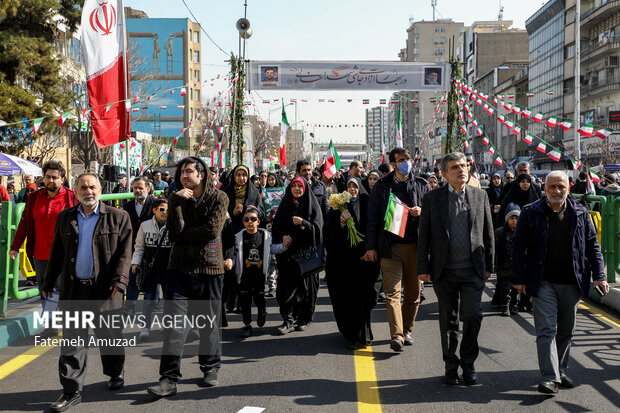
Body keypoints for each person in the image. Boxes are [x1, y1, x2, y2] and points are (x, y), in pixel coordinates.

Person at [42, 173, 132, 412]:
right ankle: (71, 390)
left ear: (100, 189)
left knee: (110, 336)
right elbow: (57, 253)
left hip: (106, 291)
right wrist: (47, 282)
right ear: (76, 190)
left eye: (92, 186)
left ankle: (115, 372)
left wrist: (120, 281)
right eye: (83, 187)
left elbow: (125, 253)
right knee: (72, 341)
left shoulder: (119, 217)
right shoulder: (65, 217)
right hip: (74, 290)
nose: (88, 191)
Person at [512, 171, 608, 394]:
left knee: (566, 330)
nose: (556, 191)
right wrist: (518, 278)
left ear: (568, 188)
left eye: (561, 187)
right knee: (546, 329)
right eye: (552, 187)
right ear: (544, 188)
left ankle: (560, 370)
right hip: (542, 280)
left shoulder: (581, 213)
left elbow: (593, 246)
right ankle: (549, 377)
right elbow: (518, 246)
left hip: (572, 281)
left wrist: (600, 276)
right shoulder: (530, 212)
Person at [147, 157, 229, 397]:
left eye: (189, 171)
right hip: (179, 270)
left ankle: (210, 366)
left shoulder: (219, 198)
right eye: (181, 171)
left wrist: (184, 234)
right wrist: (174, 202)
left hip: (211, 269)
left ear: (201, 174)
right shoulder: (175, 199)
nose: (184, 175)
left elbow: (212, 230)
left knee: (209, 323)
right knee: (174, 326)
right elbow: (173, 233)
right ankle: (168, 378)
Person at [417, 152, 494, 386]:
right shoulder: (433, 198)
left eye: (463, 165)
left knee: (472, 316)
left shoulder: (480, 196)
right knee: (448, 321)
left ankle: (468, 364)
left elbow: (488, 232)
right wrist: (423, 267)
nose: (461, 170)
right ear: (444, 173)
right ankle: (451, 365)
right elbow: (425, 236)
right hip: (444, 271)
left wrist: (489, 265)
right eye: (454, 167)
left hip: (473, 270)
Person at [365, 147, 431, 352]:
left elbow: (433, 215)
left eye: (407, 159)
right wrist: (371, 247)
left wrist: (422, 211)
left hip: (415, 247)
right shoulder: (382, 186)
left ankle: (407, 329)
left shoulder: (422, 184)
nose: (405, 163)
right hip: (390, 247)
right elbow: (373, 219)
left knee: (413, 294)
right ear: (393, 164)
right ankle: (397, 336)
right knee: (392, 294)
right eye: (401, 160)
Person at [325, 177, 380, 348]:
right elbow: (328, 233)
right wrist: (341, 222)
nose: (352, 189)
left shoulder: (369, 203)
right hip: (345, 262)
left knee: (367, 297)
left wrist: (369, 249)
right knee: (349, 298)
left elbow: (375, 227)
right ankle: (352, 335)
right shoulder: (338, 207)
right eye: (349, 186)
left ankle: (364, 333)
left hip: (366, 260)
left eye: (355, 186)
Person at [10, 161, 78, 294]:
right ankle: (48, 315)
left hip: (65, 255)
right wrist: (15, 247)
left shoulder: (72, 197)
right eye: (48, 177)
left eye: (55, 177)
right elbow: (25, 223)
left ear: (62, 179)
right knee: (45, 293)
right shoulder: (34, 197)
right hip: (40, 256)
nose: (50, 180)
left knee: (65, 294)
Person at [271, 176, 323, 334]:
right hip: (288, 256)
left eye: (300, 186)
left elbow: (318, 229)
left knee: (307, 290)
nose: (297, 189)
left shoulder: (312, 205)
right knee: (285, 289)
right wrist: (282, 237)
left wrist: (303, 223)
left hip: (307, 257)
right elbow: (277, 227)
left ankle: (304, 318)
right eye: (294, 186)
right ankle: (288, 320)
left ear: (305, 188)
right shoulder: (285, 204)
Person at [130, 198, 172, 341]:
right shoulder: (145, 225)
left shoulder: (173, 225)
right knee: (148, 299)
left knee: (168, 299)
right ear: (154, 210)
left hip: (168, 268)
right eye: (162, 209)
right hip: (150, 267)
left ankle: (165, 325)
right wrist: (135, 263)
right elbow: (139, 246)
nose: (165, 212)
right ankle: (145, 328)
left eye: (167, 209)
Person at [234, 206, 274, 338]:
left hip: (259, 275)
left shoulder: (265, 236)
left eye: (253, 219)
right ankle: (247, 324)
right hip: (244, 275)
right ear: (243, 221)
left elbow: (273, 249)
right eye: (246, 219)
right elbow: (234, 255)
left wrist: (284, 246)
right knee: (245, 300)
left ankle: (262, 312)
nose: (250, 222)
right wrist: (230, 263)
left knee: (259, 297)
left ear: (258, 221)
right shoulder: (239, 237)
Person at [123, 177, 155, 313]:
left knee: (151, 279)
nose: (138, 190)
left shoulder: (155, 204)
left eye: (141, 188)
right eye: (135, 188)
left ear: (147, 189)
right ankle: (130, 307)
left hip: (151, 246)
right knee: (131, 277)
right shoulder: (128, 206)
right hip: (133, 246)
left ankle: (151, 306)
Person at [491, 203, 521, 315]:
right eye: (511, 218)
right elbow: (494, 249)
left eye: (517, 218)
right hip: (504, 266)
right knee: (505, 288)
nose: (514, 221)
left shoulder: (523, 232)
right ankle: (505, 305)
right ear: (507, 219)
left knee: (516, 288)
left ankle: (515, 305)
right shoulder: (500, 232)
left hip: (518, 267)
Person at [223, 165, 264, 234]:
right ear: (234, 176)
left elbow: (261, 213)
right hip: (230, 230)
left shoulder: (254, 192)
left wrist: (254, 211)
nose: (241, 178)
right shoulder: (227, 191)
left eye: (244, 175)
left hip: (249, 231)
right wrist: (233, 213)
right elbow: (221, 211)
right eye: (238, 175)